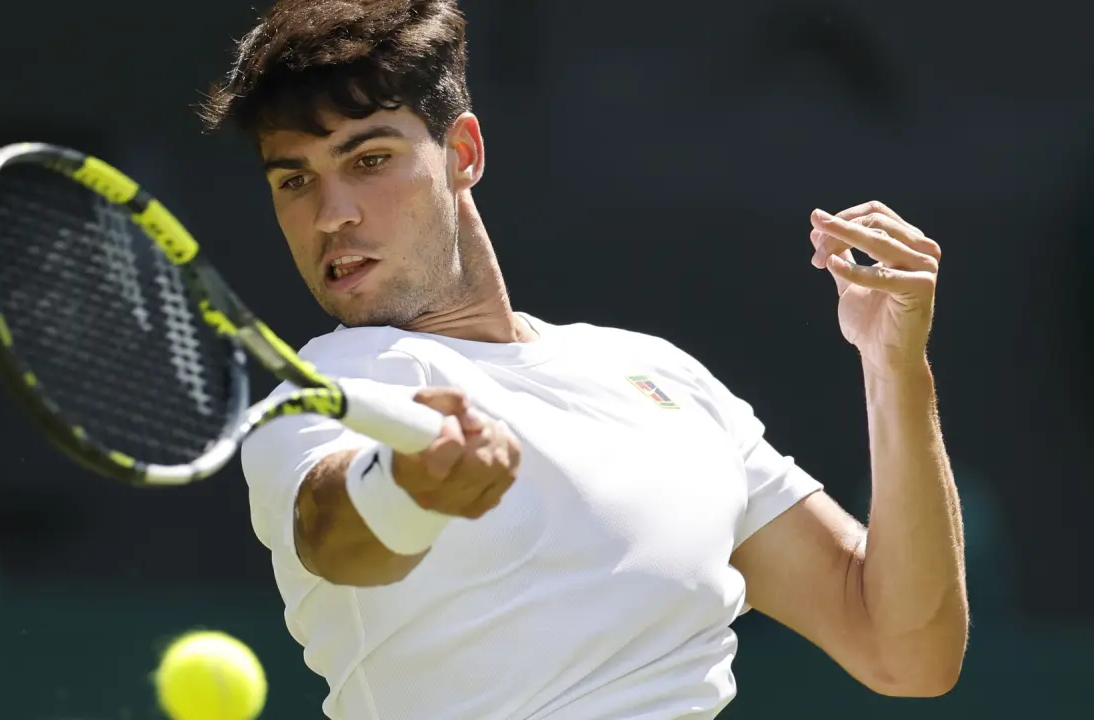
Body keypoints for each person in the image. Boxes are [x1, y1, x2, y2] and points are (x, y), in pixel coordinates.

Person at [202, 2, 968, 718]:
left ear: (462, 153)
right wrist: (406, 489)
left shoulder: (659, 375)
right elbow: (335, 533)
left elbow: (906, 650)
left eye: (369, 159)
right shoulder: (324, 390)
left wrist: (895, 369)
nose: (330, 215)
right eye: (294, 180)